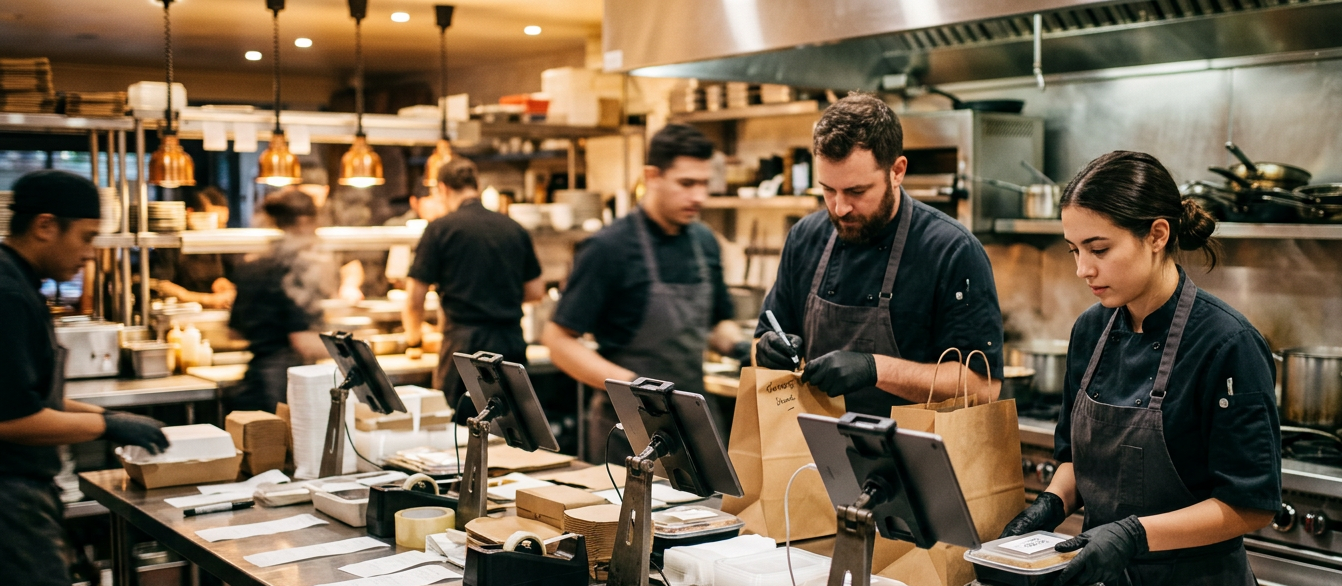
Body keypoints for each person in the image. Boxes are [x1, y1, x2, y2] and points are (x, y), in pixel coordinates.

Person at [1001, 150, 1278, 586]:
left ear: (1157, 236)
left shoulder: (1227, 344)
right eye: (1073, 249)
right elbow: (1074, 458)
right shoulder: (1090, 333)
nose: (1082, 268)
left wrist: (1130, 534)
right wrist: (1048, 506)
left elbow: (1249, 504)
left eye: (1098, 248)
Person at [0, 170, 169, 586]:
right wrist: (107, 426)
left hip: (21, 497)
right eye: (87, 236)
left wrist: (100, 411)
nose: (90, 252)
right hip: (9, 504)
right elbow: (11, 418)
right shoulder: (9, 293)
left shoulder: (19, 283)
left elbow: (33, 396)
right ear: (46, 226)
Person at [755, 94, 1003, 413]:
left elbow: (983, 387)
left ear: (897, 171)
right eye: (828, 190)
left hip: (911, 458)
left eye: (857, 191)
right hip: (812, 455)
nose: (840, 207)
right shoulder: (804, 238)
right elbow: (762, 337)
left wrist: (875, 370)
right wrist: (766, 350)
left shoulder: (952, 250)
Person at [542, 124, 746, 462]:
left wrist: (740, 348)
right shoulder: (609, 248)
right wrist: (632, 385)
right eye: (686, 184)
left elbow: (715, 323)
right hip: (629, 429)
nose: (699, 197)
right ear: (652, 176)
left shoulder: (704, 243)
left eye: (704, 184)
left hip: (694, 424)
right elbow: (557, 340)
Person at [403, 158, 544, 409]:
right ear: (477, 185)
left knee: (460, 430)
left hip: (464, 348)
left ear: (443, 189)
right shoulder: (514, 228)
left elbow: (415, 299)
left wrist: (414, 341)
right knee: (512, 428)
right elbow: (535, 291)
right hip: (509, 344)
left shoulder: (440, 229)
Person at [228, 189, 337, 413]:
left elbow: (234, 333)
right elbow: (303, 342)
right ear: (305, 222)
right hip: (282, 389)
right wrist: (359, 352)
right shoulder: (294, 270)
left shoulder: (253, 267)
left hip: (255, 384)